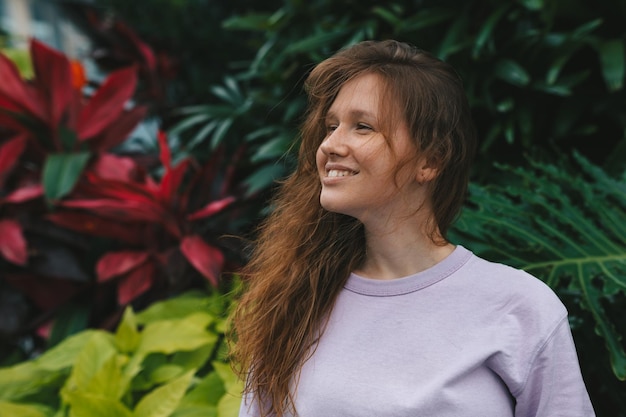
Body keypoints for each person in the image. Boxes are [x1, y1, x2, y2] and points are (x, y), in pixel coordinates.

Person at [230, 39, 595, 417]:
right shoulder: (297, 299)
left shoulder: (519, 307)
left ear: (430, 161)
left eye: (363, 127)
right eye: (331, 126)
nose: (331, 145)